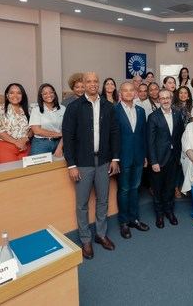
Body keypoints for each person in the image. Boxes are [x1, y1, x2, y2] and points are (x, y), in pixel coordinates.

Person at [62, 72, 120, 260]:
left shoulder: (108, 106)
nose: (93, 84)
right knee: (82, 204)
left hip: (104, 161)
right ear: (83, 84)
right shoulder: (74, 107)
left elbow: (114, 133)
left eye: (96, 81)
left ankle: (101, 235)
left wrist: (115, 159)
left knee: (103, 200)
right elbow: (68, 137)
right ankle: (85, 239)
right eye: (89, 81)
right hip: (83, 163)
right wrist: (71, 165)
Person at [115, 82, 150, 239]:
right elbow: (112, 137)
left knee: (135, 188)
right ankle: (123, 222)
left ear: (135, 93)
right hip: (122, 157)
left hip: (138, 157)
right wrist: (114, 158)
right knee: (124, 189)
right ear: (120, 93)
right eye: (125, 90)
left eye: (131, 90)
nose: (129, 93)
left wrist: (144, 156)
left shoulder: (141, 111)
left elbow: (143, 136)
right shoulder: (114, 111)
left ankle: (134, 219)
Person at [147, 89, 184, 229]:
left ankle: (169, 212)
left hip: (173, 159)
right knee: (158, 189)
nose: (165, 100)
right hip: (159, 160)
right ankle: (159, 215)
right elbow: (149, 141)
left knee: (169, 188)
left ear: (171, 98)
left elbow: (180, 136)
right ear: (159, 100)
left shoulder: (177, 114)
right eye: (162, 98)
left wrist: (180, 156)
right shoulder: (153, 117)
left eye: (167, 97)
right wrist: (154, 161)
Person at [0, 83, 32, 163]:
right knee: (9, 173)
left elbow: (33, 128)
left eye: (19, 93)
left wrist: (25, 139)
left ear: (22, 95)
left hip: (25, 146)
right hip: (5, 147)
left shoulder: (29, 110)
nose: (15, 95)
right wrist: (17, 142)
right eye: (12, 93)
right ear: (7, 95)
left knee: (26, 174)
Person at [29, 83, 65, 157]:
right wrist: (58, 134)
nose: (49, 95)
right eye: (45, 93)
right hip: (41, 143)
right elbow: (37, 131)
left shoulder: (63, 109)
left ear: (54, 93)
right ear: (41, 96)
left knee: (59, 167)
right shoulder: (36, 110)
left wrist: (59, 147)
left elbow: (67, 130)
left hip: (60, 143)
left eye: (51, 92)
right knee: (38, 168)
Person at [173, 85, 193, 199]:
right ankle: (176, 188)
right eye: (180, 93)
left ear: (188, 96)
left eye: (185, 93)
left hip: (190, 139)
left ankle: (186, 186)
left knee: (189, 164)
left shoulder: (192, 107)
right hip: (177, 139)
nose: (183, 95)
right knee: (178, 164)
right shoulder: (173, 107)